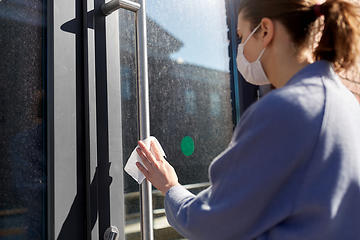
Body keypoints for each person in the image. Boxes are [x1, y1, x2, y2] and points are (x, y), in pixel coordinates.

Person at [136, 0, 360, 239]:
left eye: (242, 36)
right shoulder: (348, 104)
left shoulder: (284, 110)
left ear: (265, 30)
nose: (241, 49)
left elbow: (212, 224)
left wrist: (170, 187)